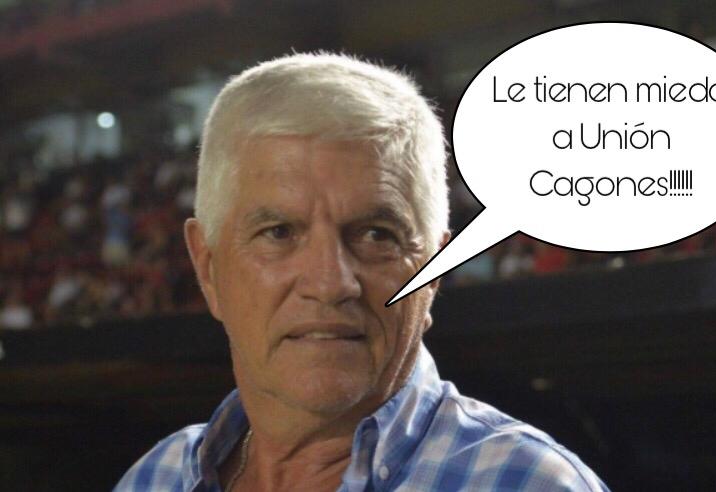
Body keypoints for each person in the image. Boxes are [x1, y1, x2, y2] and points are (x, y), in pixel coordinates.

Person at [114, 53, 609, 491]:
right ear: (207, 268)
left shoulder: (531, 484)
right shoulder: (154, 479)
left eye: (376, 235)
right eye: (279, 232)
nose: (330, 283)